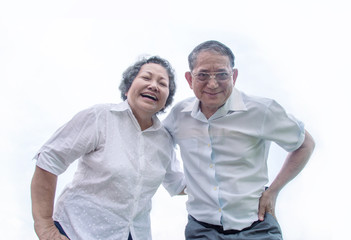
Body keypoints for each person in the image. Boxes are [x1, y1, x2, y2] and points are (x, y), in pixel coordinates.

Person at [163, 40, 315, 240]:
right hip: (202, 229)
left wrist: (273, 191)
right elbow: (157, 146)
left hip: (257, 226)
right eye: (202, 75)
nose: (213, 83)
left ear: (233, 76)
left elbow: (305, 144)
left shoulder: (261, 110)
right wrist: (177, 184)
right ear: (189, 79)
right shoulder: (179, 114)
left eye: (222, 74)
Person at [31, 56, 186, 240]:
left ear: (167, 98)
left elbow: (178, 185)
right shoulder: (101, 117)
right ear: (128, 87)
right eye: (146, 78)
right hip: (76, 230)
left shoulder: (165, 140)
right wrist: (45, 227)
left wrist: (222, 174)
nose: (154, 86)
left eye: (163, 83)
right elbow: (50, 158)